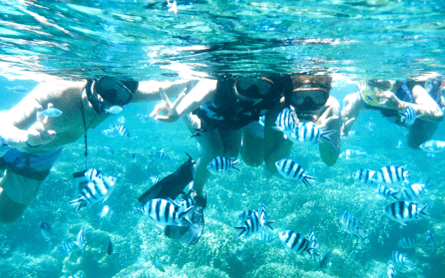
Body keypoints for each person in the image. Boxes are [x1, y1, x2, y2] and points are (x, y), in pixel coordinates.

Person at [150, 72, 341, 243]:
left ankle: (196, 167)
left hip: (241, 115)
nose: (308, 104)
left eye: (318, 97)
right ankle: (196, 196)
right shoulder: (279, 103)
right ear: (291, 94)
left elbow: (329, 161)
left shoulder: (328, 108)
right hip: (209, 112)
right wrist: (179, 110)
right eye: (299, 97)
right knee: (214, 151)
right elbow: (207, 86)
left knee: (247, 159)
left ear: (327, 95)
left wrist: (317, 135)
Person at [0, 76, 199, 225]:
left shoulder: (120, 96)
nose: (107, 100)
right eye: (105, 88)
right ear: (95, 77)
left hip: (42, 154)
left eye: (119, 96)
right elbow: (5, 127)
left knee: (7, 215)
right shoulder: (56, 91)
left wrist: (188, 95)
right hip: (9, 141)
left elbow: (174, 86)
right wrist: (26, 138)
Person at [341, 77, 444, 149]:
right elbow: (348, 101)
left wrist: (399, 105)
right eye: (371, 85)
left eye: (384, 85)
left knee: (414, 143)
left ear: (397, 83)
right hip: (402, 117)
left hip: (426, 114)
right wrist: (345, 124)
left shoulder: (414, 88)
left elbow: (437, 115)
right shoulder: (369, 96)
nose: (378, 93)